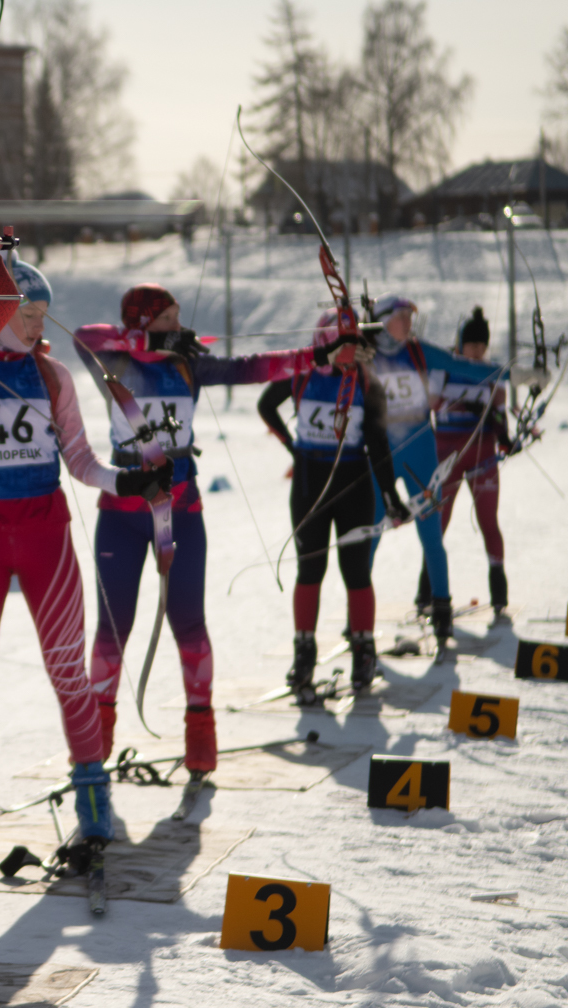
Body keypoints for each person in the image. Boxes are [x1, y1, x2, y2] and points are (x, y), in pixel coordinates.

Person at [0, 260, 167, 859]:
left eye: (42, 316)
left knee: (68, 670)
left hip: (45, 535)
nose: (40, 327)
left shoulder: (53, 375)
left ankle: (92, 790)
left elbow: (83, 461)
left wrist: (131, 484)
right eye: (28, 316)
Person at [75, 284, 357, 768]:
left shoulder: (190, 364)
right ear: (143, 323)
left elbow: (255, 366)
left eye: (178, 317)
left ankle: (200, 731)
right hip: (122, 513)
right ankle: (96, 738)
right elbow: (83, 336)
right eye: (168, 318)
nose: (178, 326)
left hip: (181, 507)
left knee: (188, 621)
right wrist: (147, 344)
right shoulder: (116, 363)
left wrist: (319, 354)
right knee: (113, 628)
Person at [257, 312, 406, 698]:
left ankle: (364, 652)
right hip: (309, 485)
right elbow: (265, 405)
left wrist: (391, 497)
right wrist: (293, 447)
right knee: (310, 569)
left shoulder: (366, 382)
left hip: (353, 486)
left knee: (355, 570)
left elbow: (379, 447)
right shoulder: (303, 372)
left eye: (354, 343)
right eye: (343, 343)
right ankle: (304, 654)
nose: (350, 350)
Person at [364, 295, 500, 649]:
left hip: (421, 454)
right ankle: (359, 621)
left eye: (411, 316)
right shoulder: (365, 353)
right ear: (382, 320)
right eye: (401, 317)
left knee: (431, 537)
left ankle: (441, 612)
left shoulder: (419, 352)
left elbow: (466, 367)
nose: (409, 323)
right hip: (380, 456)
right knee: (372, 533)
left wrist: (516, 372)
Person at [422, 309, 514, 618]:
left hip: (482, 455)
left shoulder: (493, 373)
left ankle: (498, 588)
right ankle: (427, 591)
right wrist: (467, 398)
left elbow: (501, 414)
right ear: (459, 345)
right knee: (438, 524)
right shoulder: (442, 370)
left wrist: (504, 435)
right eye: (470, 344)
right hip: (445, 456)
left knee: (489, 520)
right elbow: (430, 404)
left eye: (481, 345)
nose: (476, 351)